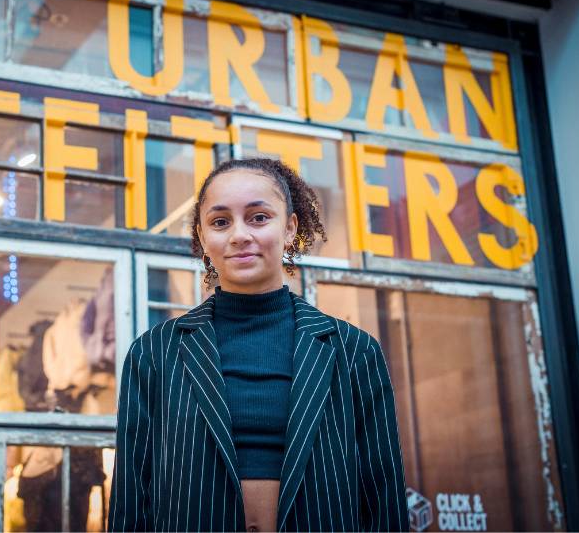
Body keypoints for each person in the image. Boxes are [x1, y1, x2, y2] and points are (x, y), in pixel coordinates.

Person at [108, 157, 408, 532]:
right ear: (203, 238)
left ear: (289, 228)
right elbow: (131, 497)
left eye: (259, 218)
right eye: (220, 222)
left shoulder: (353, 352)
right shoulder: (155, 353)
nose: (239, 235)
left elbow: (383, 493)